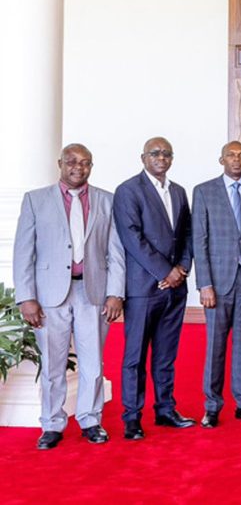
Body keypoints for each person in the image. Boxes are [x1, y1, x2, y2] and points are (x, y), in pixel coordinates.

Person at [14, 144, 124, 449]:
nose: (79, 167)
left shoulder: (107, 200)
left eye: (85, 162)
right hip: (49, 296)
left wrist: (115, 293)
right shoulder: (36, 200)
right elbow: (24, 251)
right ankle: (52, 423)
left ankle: (90, 420)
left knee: (93, 364)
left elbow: (115, 251)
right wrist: (26, 297)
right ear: (60, 163)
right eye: (72, 162)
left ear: (91, 166)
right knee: (52, 364)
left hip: (93, 292)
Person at [113, 136, 194, 440]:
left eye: (167, 154)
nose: (161, 158)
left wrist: (181, 269)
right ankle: (132, 417)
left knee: (165, 355)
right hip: (143, 289)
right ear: (143, 157)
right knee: (135, 357)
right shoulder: (128, 190)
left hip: (175, 288)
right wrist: (165, 272)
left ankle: (165, 409)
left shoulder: (178, 191)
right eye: (155, 153)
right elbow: (132, 238)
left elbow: (187, 234)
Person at [191, 141, 241, 428]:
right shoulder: (204, 191)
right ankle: (212, 406)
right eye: (231, 155)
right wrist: (204, 284)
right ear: (221, 159)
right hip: (217, 282)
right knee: (215, 345)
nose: (236, 160)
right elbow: (199, 240)